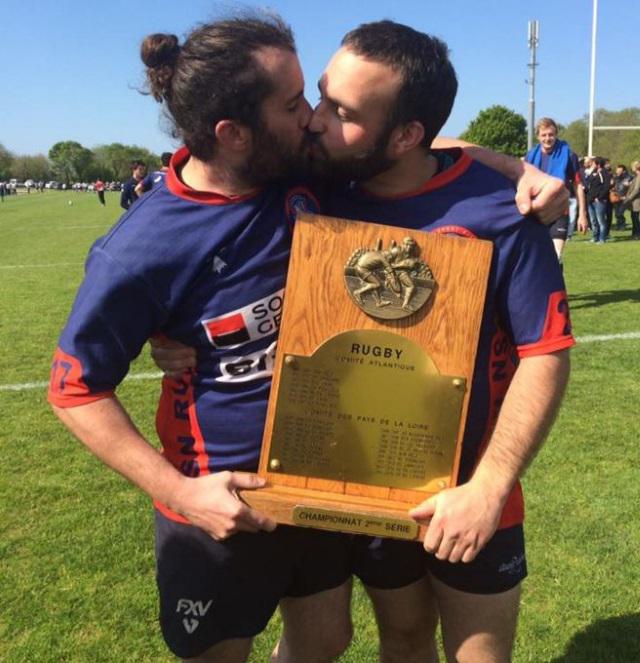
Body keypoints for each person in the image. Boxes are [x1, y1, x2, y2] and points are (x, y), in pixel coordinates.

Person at [50, 13, 570, 663]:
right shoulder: (143, 248)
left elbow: (409, 148)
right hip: (219, 500)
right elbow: (73, 387)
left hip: (327, 487)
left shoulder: (306, 180)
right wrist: (180, 491)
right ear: (234, 134)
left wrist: (514, 165)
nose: (314, 118)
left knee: (326, 638)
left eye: (321, 99)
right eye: (298, 102)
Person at [525, 117, 587, 261]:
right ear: (538, 136)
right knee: (535, 258)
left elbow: (578, 186)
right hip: (536, 211)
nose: (548, 138)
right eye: (544, 135)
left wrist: (582, 214)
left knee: (555, 257)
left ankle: (556, 281)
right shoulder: (530, 157)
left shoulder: (569, 156)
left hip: (560, 211)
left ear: (556, 134)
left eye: (551, 135)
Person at [586, 156, 612, 244]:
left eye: (593, 163)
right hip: (590, 200)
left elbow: (606, 187)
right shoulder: (593, 172)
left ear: (598, 164)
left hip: (599, 201)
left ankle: (602, 238)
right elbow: (588, 182)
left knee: (601, 220)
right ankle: (595, 237)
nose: (591, 164)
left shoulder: (605, 173)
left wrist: (599, 197)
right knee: (593, 221)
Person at [611, 163, 633, 230]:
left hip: (624, 198)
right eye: (617, 171)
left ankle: (622, 225)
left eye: (619, 171)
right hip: (616, 197)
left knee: (620, 213)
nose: (617, 172)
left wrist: (629, 185)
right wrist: (612, 187)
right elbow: (613, 186)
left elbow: (633, 187)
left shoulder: (629, 177)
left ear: (624, 171)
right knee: (617, 213)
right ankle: (619, 225)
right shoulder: (615, 177)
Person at [622, 160, 640, 239]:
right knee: (634, 217)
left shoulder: (639, 176)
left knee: (635, 218)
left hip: (636, 201)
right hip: (635, 200)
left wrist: (628, 198)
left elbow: (637, 190)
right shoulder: (636, 176)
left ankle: (637, 234)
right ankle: (635, 233)